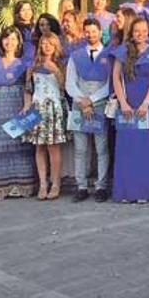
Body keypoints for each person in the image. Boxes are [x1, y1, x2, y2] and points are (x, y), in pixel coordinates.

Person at [0, 27, 36, 200]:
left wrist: (27, 106)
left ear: (18, 42)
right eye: (6, 39)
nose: (9, 42)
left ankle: (21, 185)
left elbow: (28, 87)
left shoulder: (25, 63)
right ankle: (0, 185)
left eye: (13, 39)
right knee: (0, 141)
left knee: (19, 141)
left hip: (18, 103)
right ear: (1, 42)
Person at [111, 17, 149, 203]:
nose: (140, 34)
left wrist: (146, 103)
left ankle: (144, 192)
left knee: (145, 149)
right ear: (131, 33)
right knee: (127, 148)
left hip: (147, 105)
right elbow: (116, 78)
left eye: (143, 31)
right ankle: (126, 192)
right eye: (136, 31)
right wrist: (123, 103)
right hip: (127, 105)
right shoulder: (122, 52)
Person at [66, 18, 112, 203]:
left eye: (94, 31)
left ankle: (101, 186)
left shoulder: (109, 55)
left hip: (99, 103)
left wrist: (91, 100)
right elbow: (70, 82)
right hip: (79, 103)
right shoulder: (75, 55)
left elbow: (110, 83)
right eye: (87, 31)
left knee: (102, 147)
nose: (90, 35)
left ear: (100, 32)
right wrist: (82, 101)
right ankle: (81, 186)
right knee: (80, 148)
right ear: (83, 33)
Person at [22, 31, 68, 201]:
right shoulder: (33, 64)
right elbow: (28, 88)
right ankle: (42, 183)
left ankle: (55, 183)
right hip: (37, 107)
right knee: (39, 147)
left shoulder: (61, 64)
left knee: (53, 147)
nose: (46, 46)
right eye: (44, 43)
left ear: (55, 46)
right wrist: (27, 105)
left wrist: (56, 71)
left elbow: (65, 87)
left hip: (53, 107)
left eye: (50, 43)